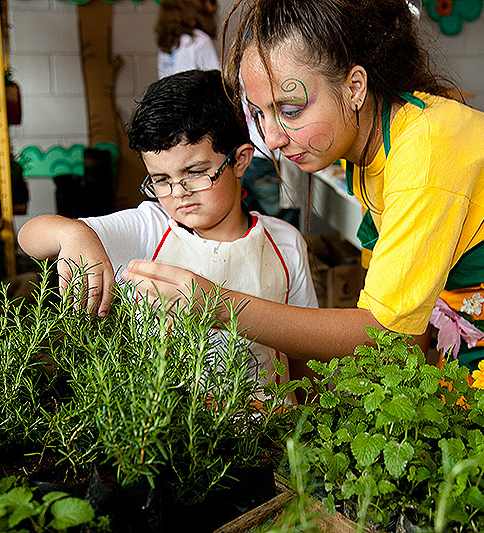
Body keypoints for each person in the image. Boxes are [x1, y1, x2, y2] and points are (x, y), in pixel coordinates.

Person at [123, 0, 484, 429]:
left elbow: (387, 335)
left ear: (353, 86)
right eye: (258, 114)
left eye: (290, 108)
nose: (273, 139)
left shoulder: (426, 153)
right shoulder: (367, 149)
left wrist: (215, 304)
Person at [18, 69, 317, 397]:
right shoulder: (148, 229)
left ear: (241, 160)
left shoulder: (285, 244)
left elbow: (304, 353)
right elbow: (31, 236)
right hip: (170, 434)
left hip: (268, 432)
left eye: (196, 172)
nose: (178, 192)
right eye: (160, 179)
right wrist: (74, 235)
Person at [155, 0, 220, 79]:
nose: (211, 7)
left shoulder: (167, 42)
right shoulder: (200, 40)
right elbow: (217, 81)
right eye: (208, 2)